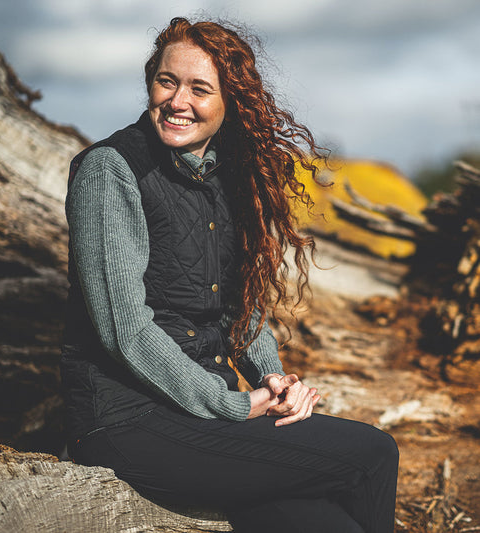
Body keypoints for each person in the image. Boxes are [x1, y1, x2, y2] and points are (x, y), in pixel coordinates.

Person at [60, 17, 399, 533]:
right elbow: (124, 330)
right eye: (167, 82)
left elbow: (240, 306)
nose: (178, 102)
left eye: (200, 89)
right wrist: (229, 403)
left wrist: (270, 377)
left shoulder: (227, 175)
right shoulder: (111, 170)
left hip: (204, 416)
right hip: (127, 420)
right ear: (150, 83)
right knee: (373, 453)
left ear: (230, 102)